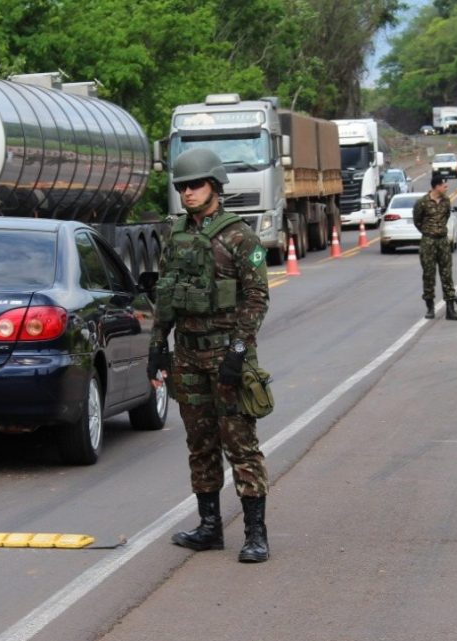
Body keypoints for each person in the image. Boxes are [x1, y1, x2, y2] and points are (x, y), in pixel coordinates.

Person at [148, 148, 272, 563]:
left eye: (195, 185)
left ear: (215, 186)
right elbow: (165, 295)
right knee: (199, 443)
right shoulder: (176, 233)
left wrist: (238, 351)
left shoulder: (240, 236)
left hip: (226, 356)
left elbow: (256, 298)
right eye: (182, 186)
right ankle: (209, 527)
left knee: (240, 445)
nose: (187, 192)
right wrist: (156, 349)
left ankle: (256, 534)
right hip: (187, 356)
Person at [412, 172, 457, 321]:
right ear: (437, 186)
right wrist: (428, 232)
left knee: (447, 275)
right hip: (428, 242)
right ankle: (430, 307)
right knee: (429, 275)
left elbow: (446, 216)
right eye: (444, 185)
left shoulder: (446, 201)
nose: (446, 187)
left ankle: (450, 309)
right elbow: (417, 221)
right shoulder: (422, 202)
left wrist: (439, 231)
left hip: (442, 242)